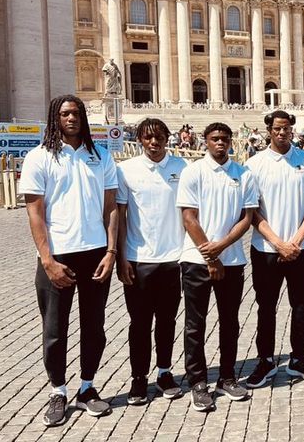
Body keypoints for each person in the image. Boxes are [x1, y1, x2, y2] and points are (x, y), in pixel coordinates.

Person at [21, 95, 119, 426]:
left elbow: (112, 208)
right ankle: (58, 390)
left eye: (76, 113)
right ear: (55, 118)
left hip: (94, 253)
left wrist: (111, 252)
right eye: (65, 114)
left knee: (94, 326)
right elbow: (35, 212)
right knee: (54, 328)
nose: (72, 118)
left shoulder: (101, 155)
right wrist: (47, 259)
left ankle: (88, 387)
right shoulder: (39, 157)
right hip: (57, 254)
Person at [176, 122, 258, 411]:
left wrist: (221, 248)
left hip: (232, 259)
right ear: (205, 141)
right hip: (197, 259)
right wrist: (211, 257)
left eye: (225, 138)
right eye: (215, 139)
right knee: (195, 324)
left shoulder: (244, 174)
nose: (220, 143)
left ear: (231, 141)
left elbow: (247, 219)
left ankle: (226, 376)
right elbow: (189, 217)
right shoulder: (193, 172)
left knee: (230, 321)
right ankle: (197, 381)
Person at [246, 111, 304, 387]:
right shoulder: (254, 164)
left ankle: (299, 360)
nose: (282, 133)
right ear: (268, 129)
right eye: (277, 128)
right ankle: (265, 360)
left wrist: (297, 241)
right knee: (266, 307)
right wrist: (279, 243)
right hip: (267, 247)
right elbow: (251, 211)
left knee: (301, 306)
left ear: (292, 130)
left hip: (301, 248)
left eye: (287, 128)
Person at [116, 118, 187, 406]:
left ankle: (165, 371)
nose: (154, 143)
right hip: (138, 258)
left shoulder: (183, 168)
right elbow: (119, 216)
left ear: (168, 138)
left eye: (159, 137)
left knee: (168, 321)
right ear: (141, 140)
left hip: (173, 257)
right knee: (139, 323)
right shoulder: (126, 170)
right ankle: (138, 378)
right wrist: (120, 257)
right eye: (148, 138)